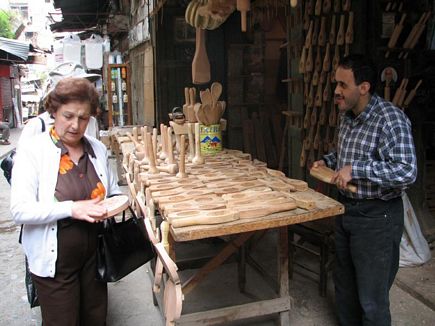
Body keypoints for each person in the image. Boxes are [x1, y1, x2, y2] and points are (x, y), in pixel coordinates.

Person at [312, 55, 417, 325]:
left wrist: (356, 169)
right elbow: (345, 154)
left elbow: (406, 171)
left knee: (371, 299)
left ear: (364, 87)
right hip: (346, 209)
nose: (336, 91)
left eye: (343, 85)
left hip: (377, 217)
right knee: (345, 288)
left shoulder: (391, 119)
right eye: (336, 83)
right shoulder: (347, 116)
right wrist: (329, 162)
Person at [10, 77, 122, 325]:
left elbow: (113, 191)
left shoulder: (97, 149)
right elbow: (20, 210)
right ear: (54, 112)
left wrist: (117, 204)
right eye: (68, 116)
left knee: (95, 318)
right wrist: (71, 208)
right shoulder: (33, 152)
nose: (75, 125)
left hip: (94, 256)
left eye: (83, 118)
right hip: (55, 263)